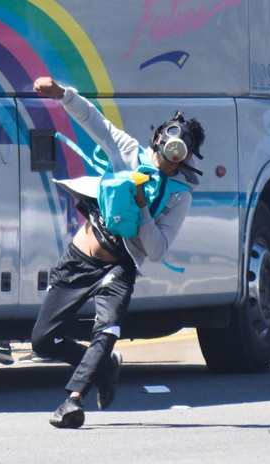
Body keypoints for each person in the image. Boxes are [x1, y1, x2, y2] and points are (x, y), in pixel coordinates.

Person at [30, 75, 204, 429]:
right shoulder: (128, 152)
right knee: (43, 341)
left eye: (181, 150)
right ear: (159, 138)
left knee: (106, 331)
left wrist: (141, 207)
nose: (172, 152)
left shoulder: (179, 194)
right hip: (79, 258)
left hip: (119, 266)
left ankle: (73, 400)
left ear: (186, 157)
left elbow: (156, 250)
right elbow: (93, 119)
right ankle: (104, 366)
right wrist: (61, 93)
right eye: (170, 141)